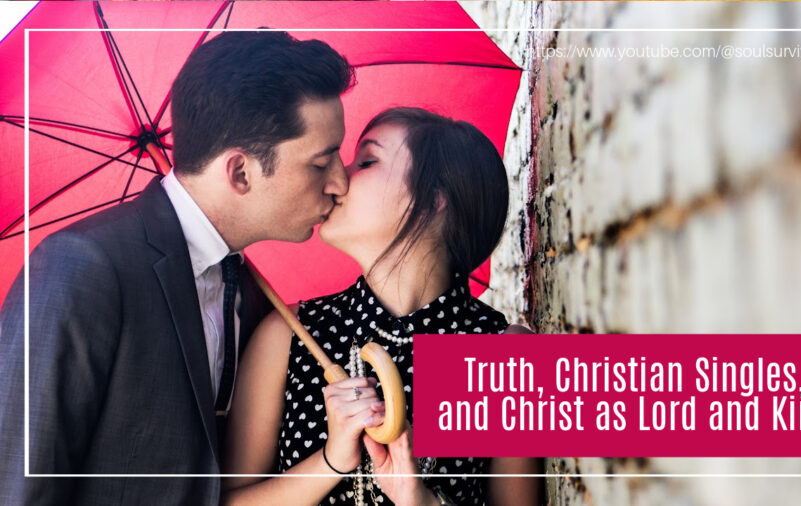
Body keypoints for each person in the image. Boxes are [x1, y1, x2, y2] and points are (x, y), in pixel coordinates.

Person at [0, 31, 354, 505]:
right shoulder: (83, 266)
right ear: (240, 173)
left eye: (355, 160)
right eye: (321, 162)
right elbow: (19, 485)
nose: (342, 182)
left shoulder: (253, 292)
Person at [222, 107, 540, 506]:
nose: (337, 180)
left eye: (367, 160)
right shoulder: (288, 334)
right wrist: (331, 461)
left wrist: (420, 501)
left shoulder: (504, 355)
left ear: (434, 200)